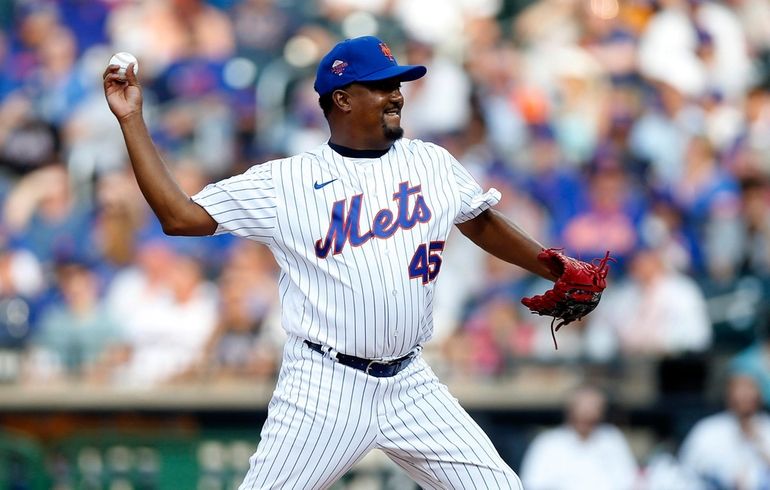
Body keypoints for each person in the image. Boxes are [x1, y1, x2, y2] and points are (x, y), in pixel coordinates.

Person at [103, 35, 595, 489]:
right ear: (342, 98)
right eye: (382, 86)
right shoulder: (287, 181)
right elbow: (179, 217)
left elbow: (479, 221)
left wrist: (553, 267)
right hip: (325, 386)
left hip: (411, 383)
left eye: (398, 84)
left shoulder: (431, 162)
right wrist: (132, 121)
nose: (397, 94)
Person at [519, 385, 639, 490]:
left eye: (593, 409)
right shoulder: (547, 443)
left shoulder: (612, 439)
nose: (587, 414)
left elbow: (630, 482)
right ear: (570, 410)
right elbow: (533, 484)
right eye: (582, 409)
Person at [679, 372, 770, 489]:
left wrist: (758, 442)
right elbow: (686, 471)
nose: (745, 395)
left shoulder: (767, 428)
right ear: (728, 394)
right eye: (739, 389)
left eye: (750, 388)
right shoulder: (708, 430)